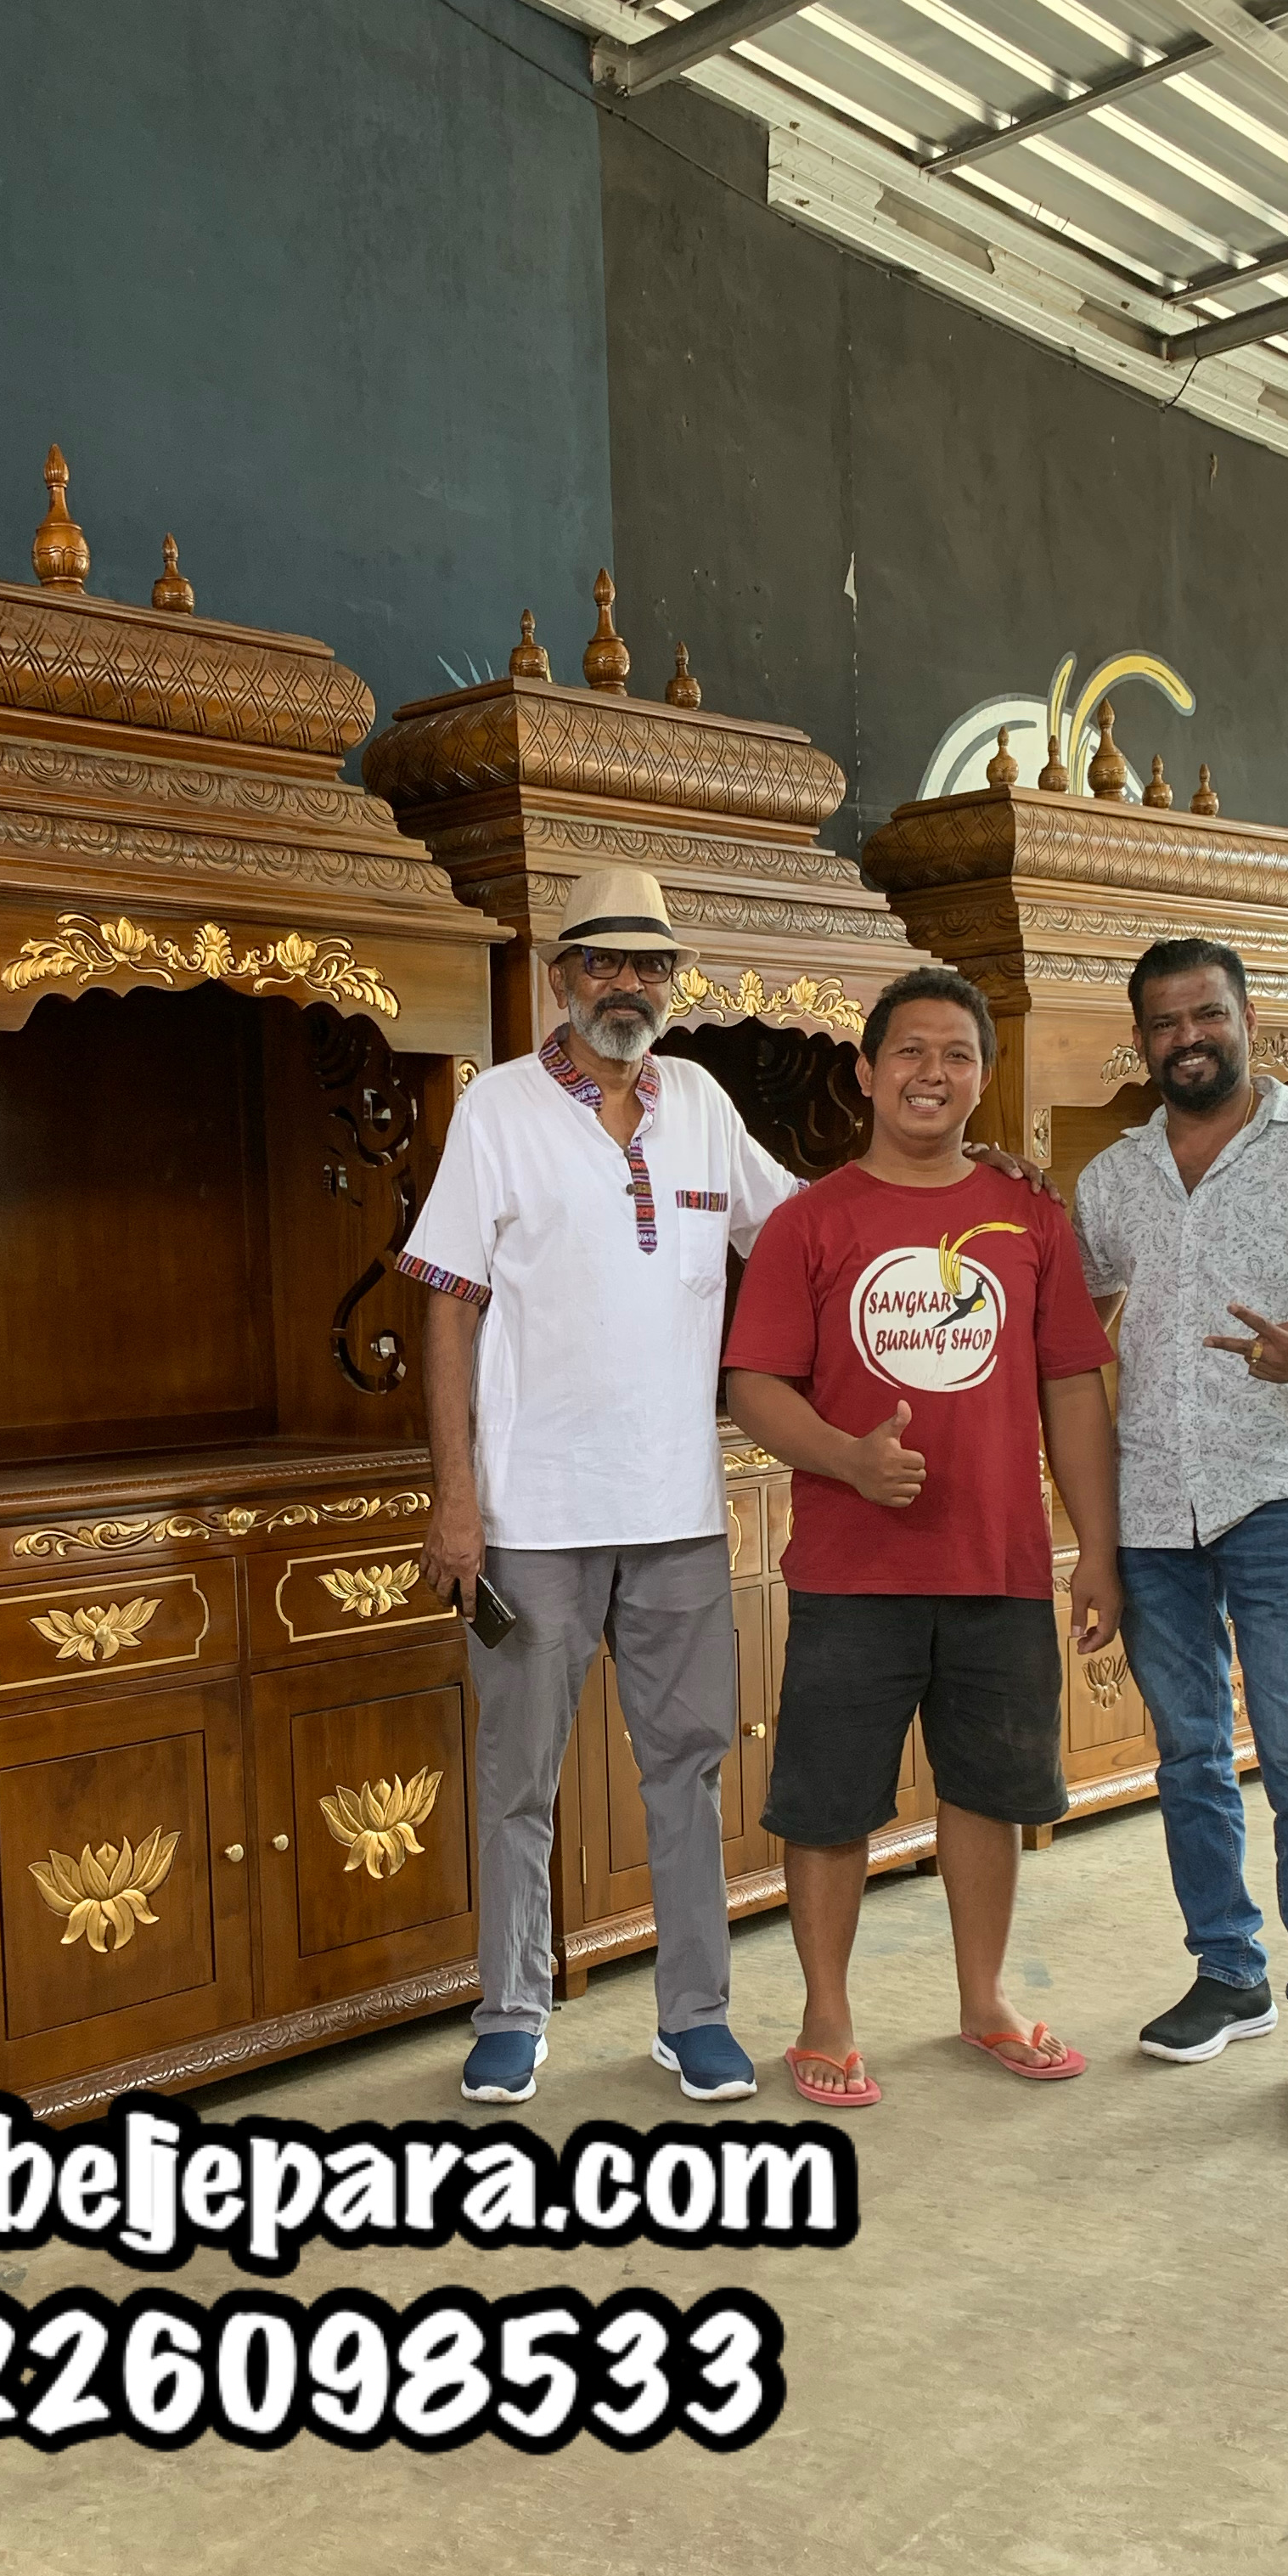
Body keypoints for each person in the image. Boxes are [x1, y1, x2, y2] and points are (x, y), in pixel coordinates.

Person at [398, 866, 801, 2105]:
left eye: (652, 966)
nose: (629, 986)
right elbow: (449, 1310)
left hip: (679, 1508)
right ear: (562, 976)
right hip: (533, 1516)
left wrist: (937, 1192)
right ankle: (513, 2009)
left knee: (687, 1768)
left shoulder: (700, 1106)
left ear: (673, 985)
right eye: (606, 964)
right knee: (519, 1777)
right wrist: (458, 1498)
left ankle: (694, 2016)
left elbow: (795, 1236)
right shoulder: (500, 1111)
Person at [725, 966, 1120, 2107]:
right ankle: (827, 2013)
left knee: (991, 1791)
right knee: (828, 1799)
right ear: (865, 1071)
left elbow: (1076, 1389)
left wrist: (1091, 1547)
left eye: (955, 1055)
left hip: (998, 1565)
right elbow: (755, 1384)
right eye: (908, 1052)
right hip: (853, 1574)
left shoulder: (1028, 1217)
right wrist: (847, 1458)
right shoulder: (812, 1220)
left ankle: (984, 1999)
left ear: (982, 1079)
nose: (931, 1073)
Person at [1073, 935, 1288, 2132]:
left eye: (1207, 1015)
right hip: (1149, 1508)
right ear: (1142, 1041)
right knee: (1184, 1760)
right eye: (1165, 1023)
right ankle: (1228, 1974)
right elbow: (1073, 1328)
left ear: (1247, 1016)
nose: (1189, 1038)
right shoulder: (1115, 1177)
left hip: (1275, 1492)